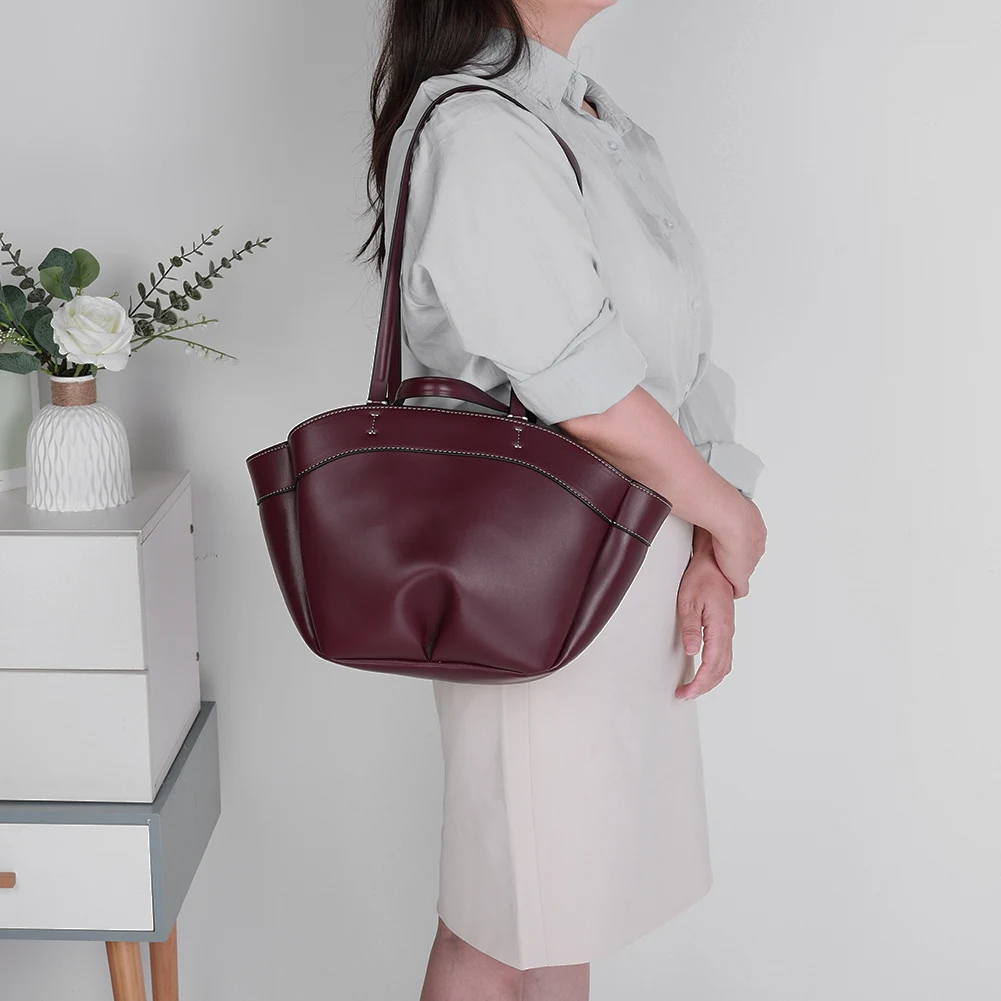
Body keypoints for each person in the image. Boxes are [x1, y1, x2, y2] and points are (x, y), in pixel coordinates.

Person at [356, 2, 768, 998]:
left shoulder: (587, 116)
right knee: (503, 916)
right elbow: (581, 384)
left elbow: (673, 361)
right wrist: (728, 512)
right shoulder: (477, 129)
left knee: (561, 907)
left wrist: (707, 543)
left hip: (628, 559)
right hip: (532, 577)